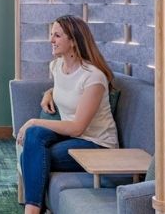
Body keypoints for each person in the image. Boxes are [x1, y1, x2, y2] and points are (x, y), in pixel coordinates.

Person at [16, 15, 118, 214]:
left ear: (73, 41)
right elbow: (67, 89)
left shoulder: (93, 77)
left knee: (32, 156)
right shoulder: (56, 66)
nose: (51, 40)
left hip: (95, 143)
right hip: (70, 136)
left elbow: (77, 127)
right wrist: (49, 93)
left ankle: (32, 211)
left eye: (57, 35)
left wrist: (34, 120)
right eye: (51, 34)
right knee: (34, 137)